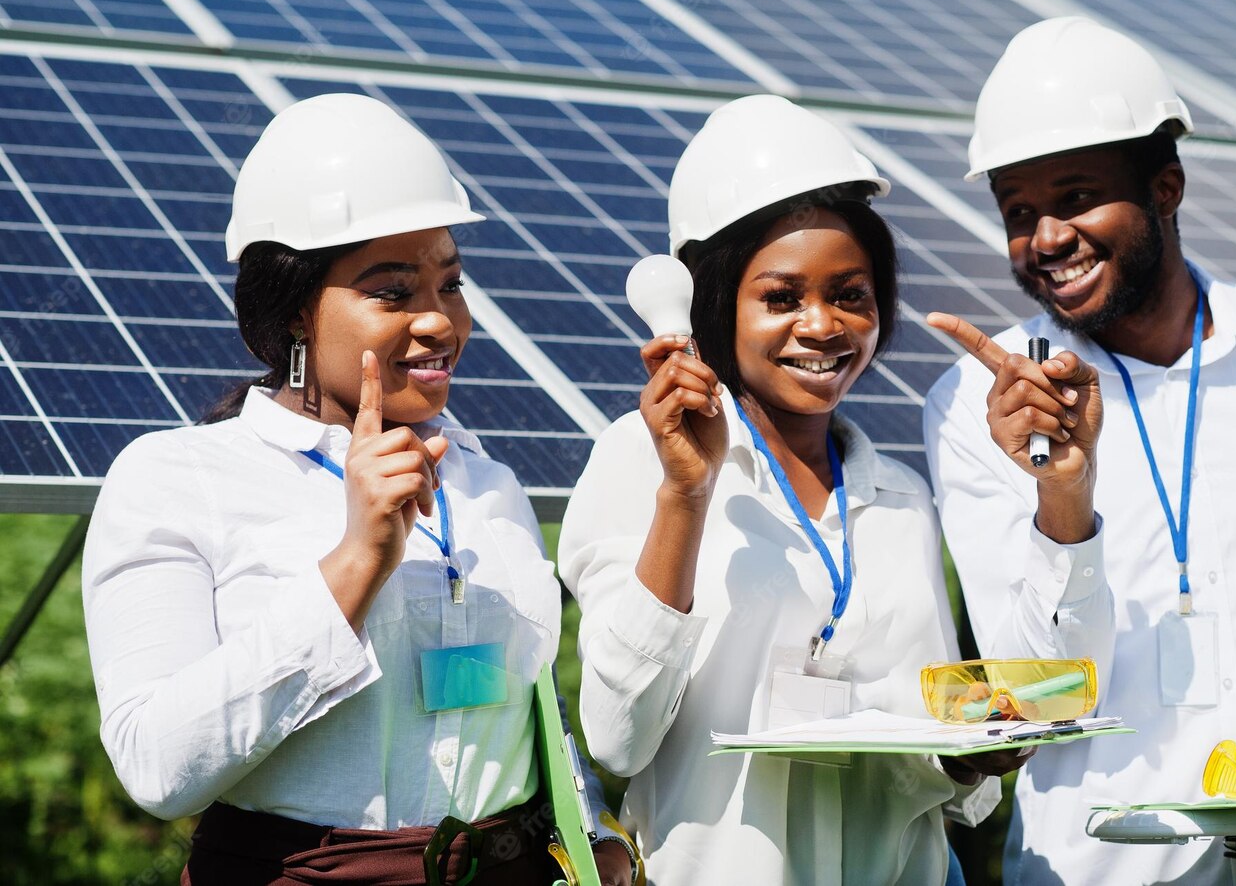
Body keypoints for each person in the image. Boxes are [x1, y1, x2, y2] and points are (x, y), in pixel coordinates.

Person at [82, 93, 634, 885]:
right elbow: (158, 769)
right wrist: (355, 562)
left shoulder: (486, 483)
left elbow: (526, 714)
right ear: (296, 310)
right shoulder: (177, 479)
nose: (440, 320)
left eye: (450, 284)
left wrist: (591, 829)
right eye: (392, 291)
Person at [558, 94, 1096, 885]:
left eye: (852, 294)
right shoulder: (639, 462)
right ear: (713, 306)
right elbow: (616, 740)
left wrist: (977, 755)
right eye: (782, 298)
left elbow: (936, 765)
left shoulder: (901, 497)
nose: (824, 326)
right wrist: (686, 491)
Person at [923, 17, 1236, 885]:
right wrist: (1064, 493)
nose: (1047, 237)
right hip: (1099, 869)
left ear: (1166, 187)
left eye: (1075, 196)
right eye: (1018, 212)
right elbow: (1034, 693)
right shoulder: (977, 410)